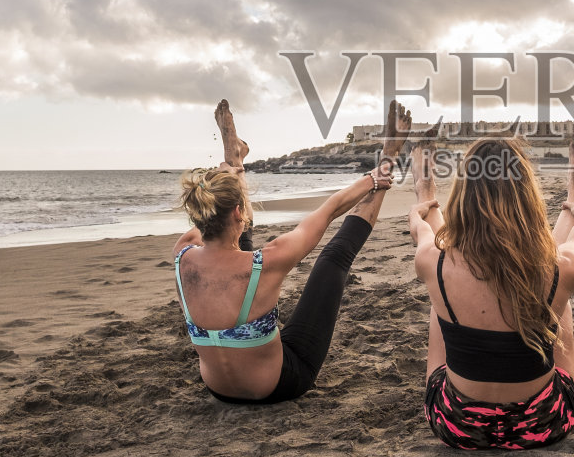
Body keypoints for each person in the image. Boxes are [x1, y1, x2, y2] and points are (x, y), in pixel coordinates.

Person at [171, 99, 403, 404]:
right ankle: (388, 158)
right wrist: (375, 177)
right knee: (333, 261)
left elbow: (219, 223)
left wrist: (230, 177)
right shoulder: (269, 260)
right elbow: (329, 210)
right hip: (279, 386)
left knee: (237, 246)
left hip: (219, 390)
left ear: (201, 214)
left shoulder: (182, 255)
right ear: (238, 210)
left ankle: (233, 156)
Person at [408, 122, 574, 450]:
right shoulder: (567, 266)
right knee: (557, 291)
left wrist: (422, 202)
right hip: (544, 423)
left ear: (464, 195)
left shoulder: (430, 260)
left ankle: (426, 188)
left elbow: (427, 233)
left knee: (441, 293)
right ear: (526, 195)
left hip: (456, 425)